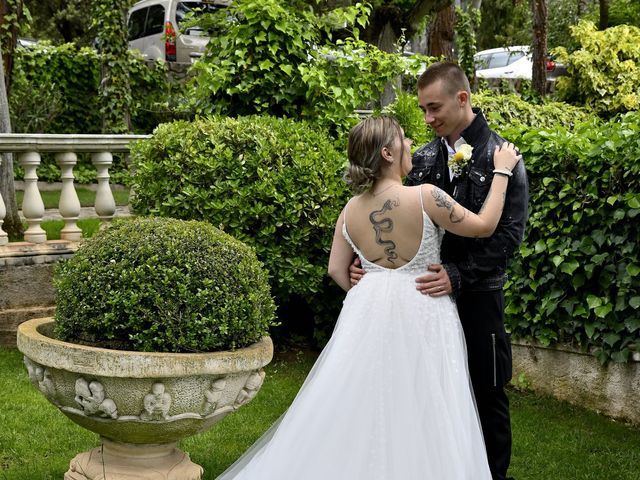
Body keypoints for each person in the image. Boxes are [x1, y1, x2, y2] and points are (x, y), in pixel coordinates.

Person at [216, 115, 521, 480]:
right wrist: (502, 172)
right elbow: (485, 225)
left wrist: (368, 284)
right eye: (403, 139)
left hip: (368, 309)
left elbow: (335, 269)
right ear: (388, 153)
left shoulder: (350, 209)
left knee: (366, 398)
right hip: (423, 306)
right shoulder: (425, 196)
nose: (411, 143)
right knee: (425, 400)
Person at [351, 62, 528, 480]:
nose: (428, 119)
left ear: (462, 98)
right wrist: (368, 267)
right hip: (421, 302)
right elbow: (388, 214)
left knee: (487, 391)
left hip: (480, 295)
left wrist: (458, 274)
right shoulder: (423, 159)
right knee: (421, 391)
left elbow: (507, 238)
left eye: (434, 108)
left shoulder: (503, 158)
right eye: (423, 110)